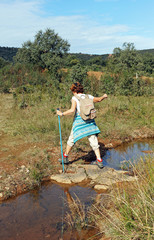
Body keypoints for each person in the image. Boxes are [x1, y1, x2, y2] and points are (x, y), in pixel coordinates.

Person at [57, 82, 108, 168]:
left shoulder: (75, 98)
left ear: (74, 90)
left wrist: (61, 114)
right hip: (90, 120)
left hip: (79, 121)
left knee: (72, 139)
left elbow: (72, 110)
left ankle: (65, 157)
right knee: (94, 141)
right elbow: (99, 99)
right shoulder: (89, 96)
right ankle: (99, 161)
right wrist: (104, 96)